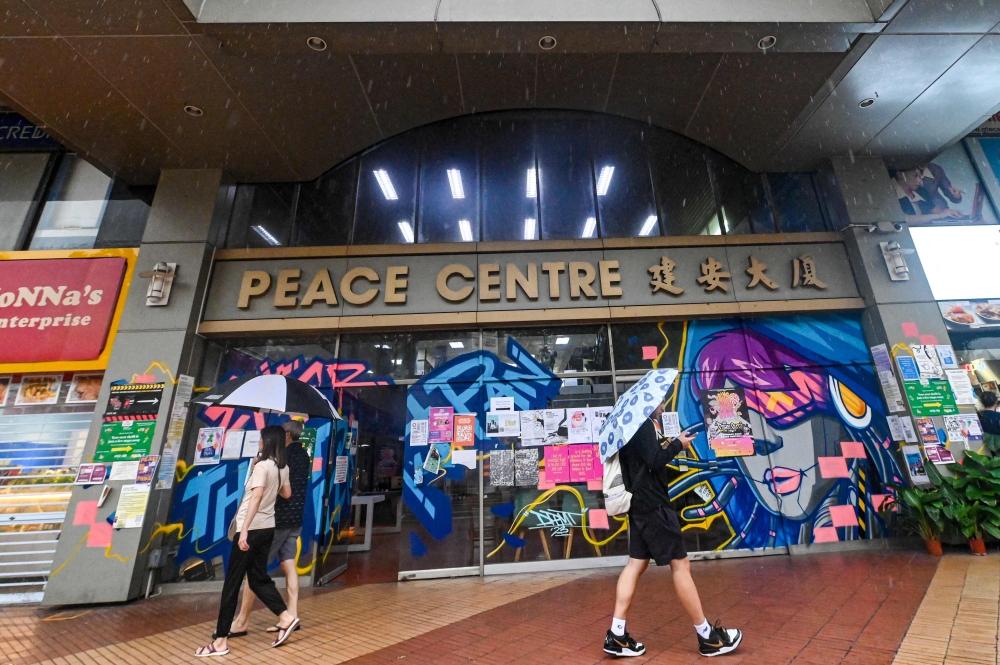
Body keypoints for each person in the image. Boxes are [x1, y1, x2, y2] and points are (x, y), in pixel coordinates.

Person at [604, 401, 742, 658]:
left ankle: (617, 634)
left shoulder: (630, 427)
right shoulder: (643, 425)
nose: (664, 405)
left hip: (639, 505)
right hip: (654, 506)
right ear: (647, 403)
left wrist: (669, 444)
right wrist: (678, 444)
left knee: (636, 564)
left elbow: (646, 459)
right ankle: (707, 637)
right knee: (680, 565)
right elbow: (655, 462)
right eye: (660, 401)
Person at [196, 426, 300, 657]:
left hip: (251, 529)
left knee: (232, 582)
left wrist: (243, 531)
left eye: (261, 439)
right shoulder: (281, 467)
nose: (259, 443)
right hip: (267, 528)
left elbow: (255, 498)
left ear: (267, 441)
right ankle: (285, 617)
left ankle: (220, 641)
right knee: (258, 577)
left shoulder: (263, 466)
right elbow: (287, 494)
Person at [231, 420, 311, 635]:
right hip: (296, 519)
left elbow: (278, 490)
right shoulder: (303, 455)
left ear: (286, 435)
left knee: (255, 571)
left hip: (277, 520)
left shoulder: (281, 460)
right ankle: (292, 614)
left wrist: (261, 464)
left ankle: (242, 620)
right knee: (288, 565)